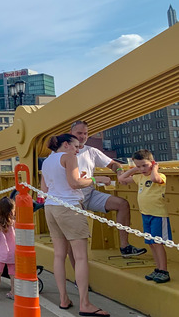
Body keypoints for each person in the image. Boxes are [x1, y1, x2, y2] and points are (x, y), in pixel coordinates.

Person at [41, 134, 110, 316]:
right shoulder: (69, 157)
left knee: (59, 255)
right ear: (66, 144)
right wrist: (97, 179)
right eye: (76, 146)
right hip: (69, 208)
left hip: (51, 208)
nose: (78, 150)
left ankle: (64, 299)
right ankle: (85, 304)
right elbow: (75, 183)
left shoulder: (47, 161)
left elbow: (44, 190)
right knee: (80, 257)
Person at [70, 121, 146, 257]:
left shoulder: (91, 151)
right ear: (71, 134)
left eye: (86, 133)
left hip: (89, 194)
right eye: (79, 133)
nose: (83, 136)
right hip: (71, 199)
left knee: (122, 204)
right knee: (75, 238)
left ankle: (125, 247)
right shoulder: (62, 152)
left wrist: (118, 171)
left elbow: (113, 164)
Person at [118, 150, 171, 283]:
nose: (142, 169)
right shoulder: (139, 177)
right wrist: (134, 169)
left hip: (158, 215)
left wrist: (155, 168)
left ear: (152, 164)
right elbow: (122, 179)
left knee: (158, 243)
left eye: (144, 165)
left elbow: (155, 179)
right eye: (139, 166)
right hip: (146, 215)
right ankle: (158, 268)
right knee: (151, 243)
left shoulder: (160, 176)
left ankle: (164, 270)